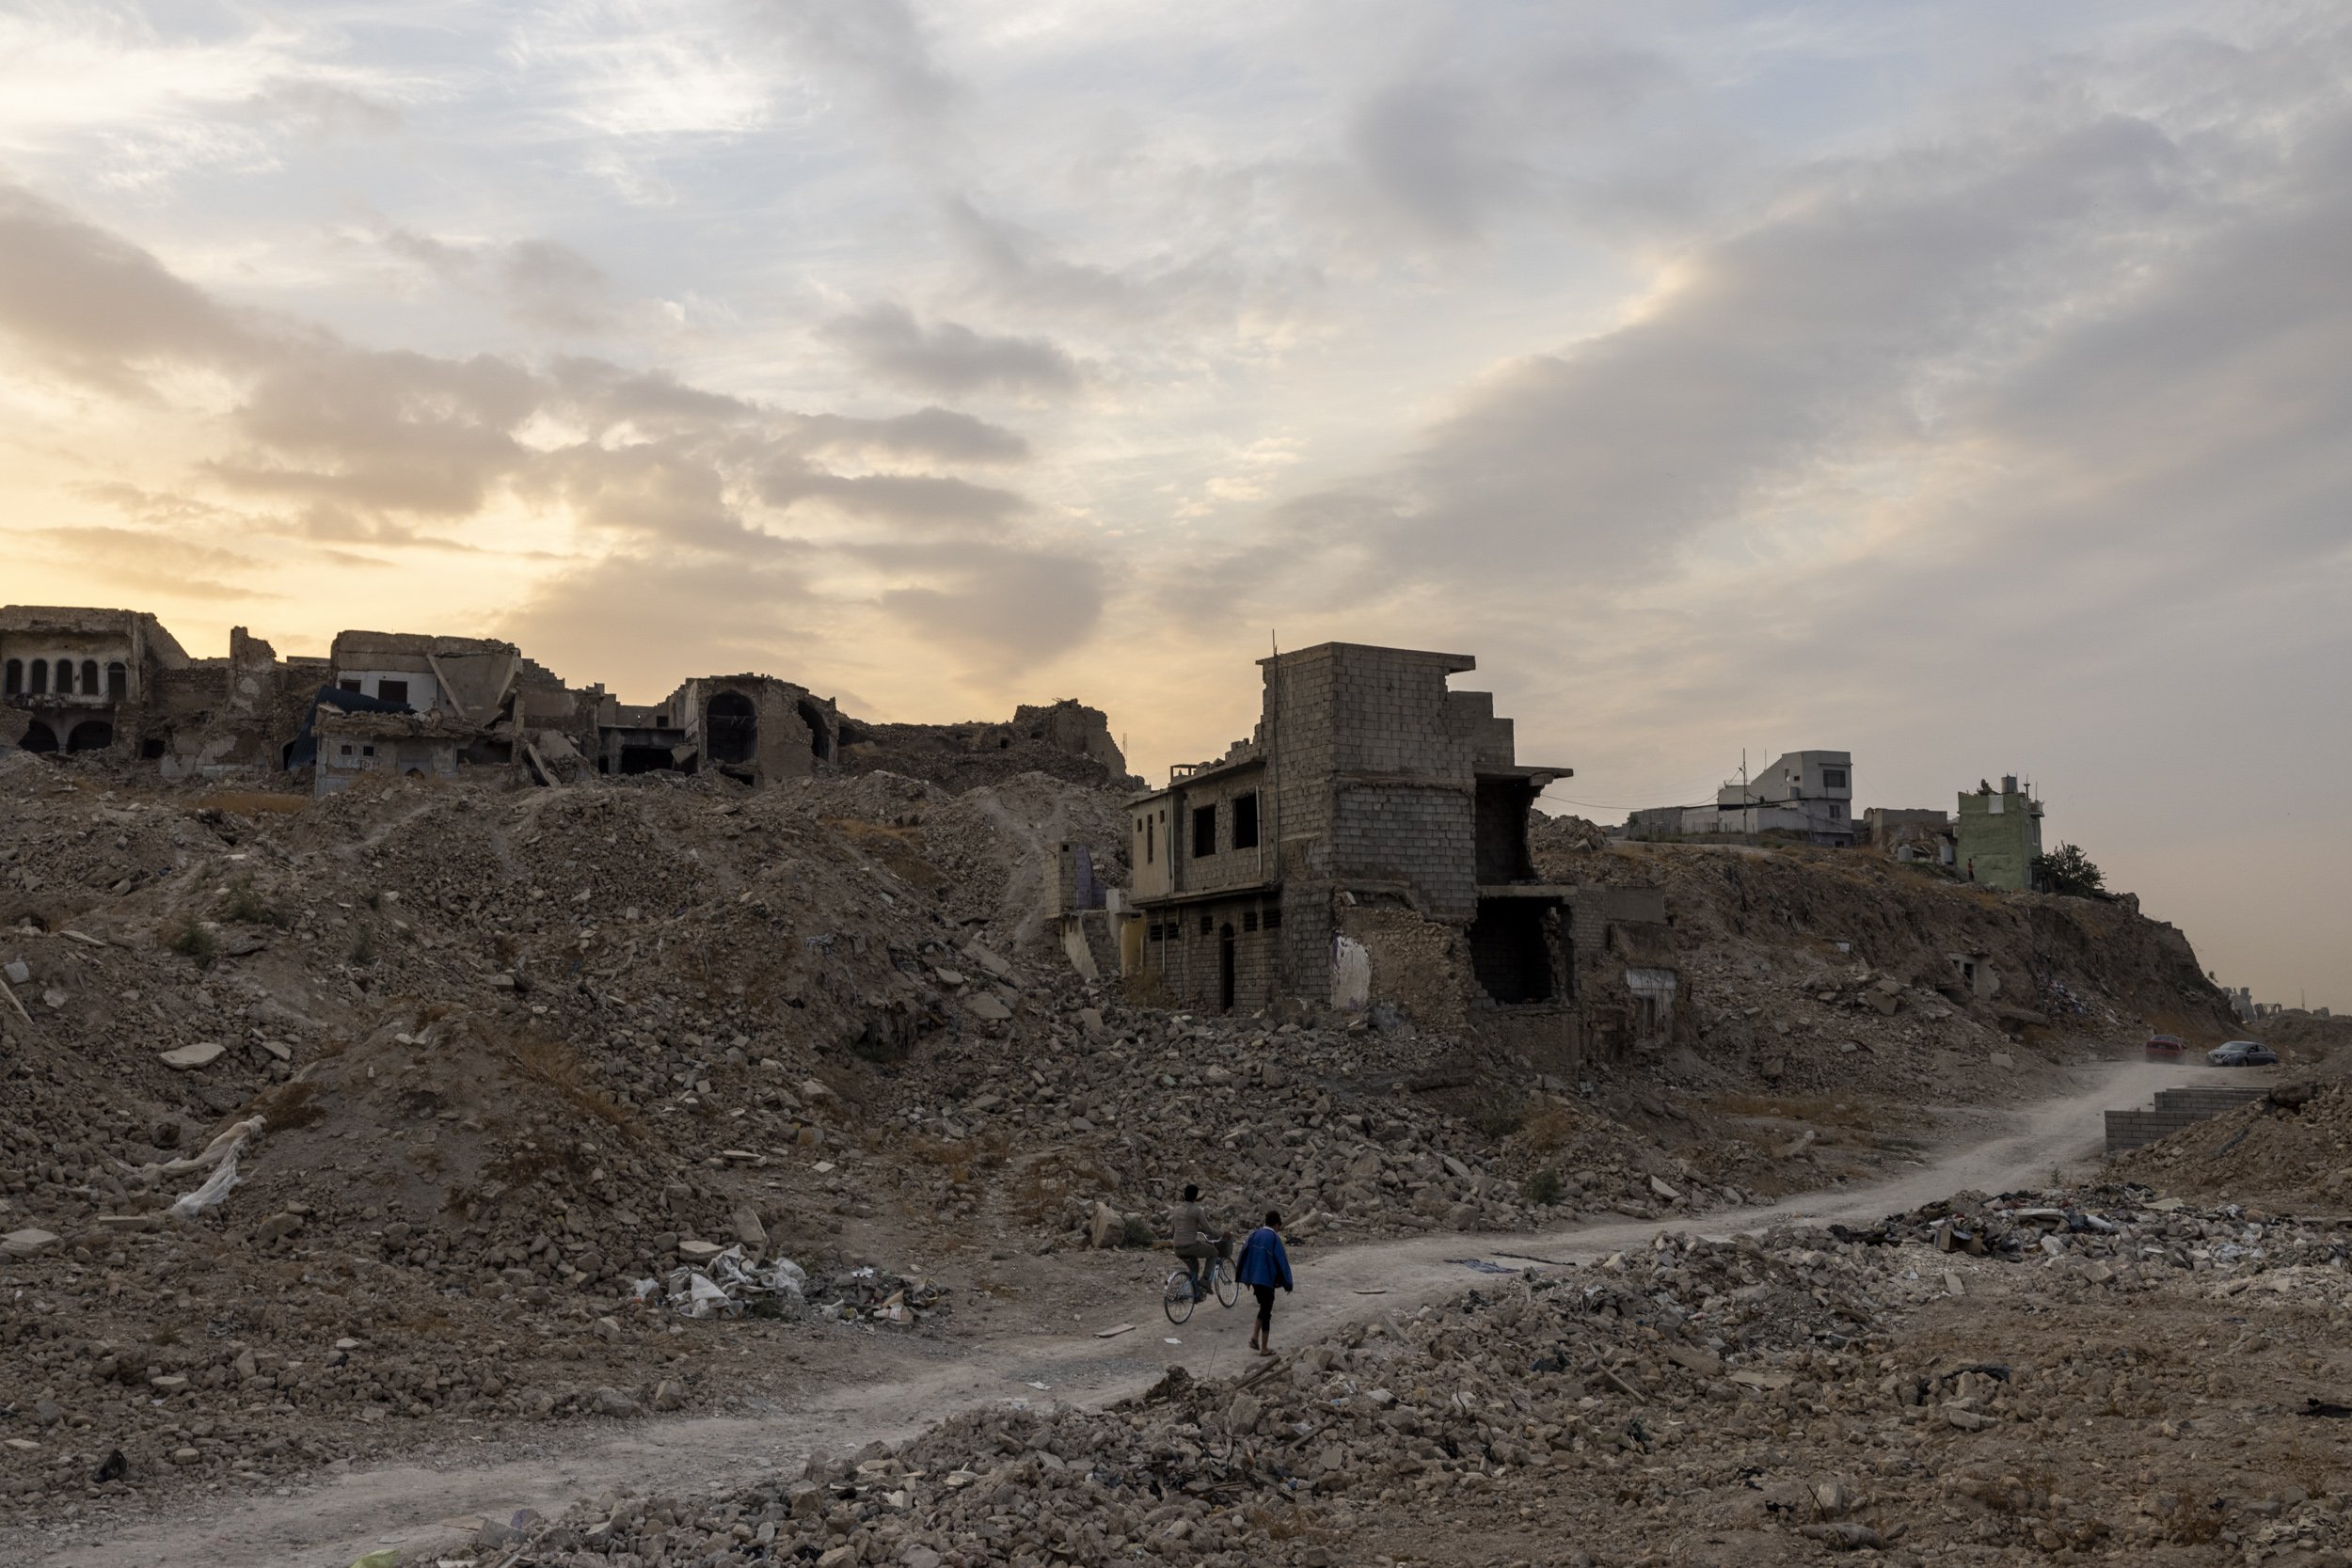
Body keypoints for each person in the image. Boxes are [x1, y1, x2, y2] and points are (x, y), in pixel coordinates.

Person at [1235, 1210, 1293, 1356]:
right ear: (1276, 1224)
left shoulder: (1254, 1235)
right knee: (1267, 1311)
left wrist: (1245, 1278)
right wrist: (1288, 1283)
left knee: (1264, 1306)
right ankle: (1264, 1348)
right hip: (1267, 1280)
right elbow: (1282, 1262)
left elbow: (1243, 1255)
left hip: (1255, 1279)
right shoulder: (1274, 1238)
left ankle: (1254, 1337)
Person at [1170, 1183, 1220, 1301]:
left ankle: (1196, 1294)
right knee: (1213, 1252)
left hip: (1177, 1248)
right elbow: (1207, 1229)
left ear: (1184, 1195)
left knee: (1194, 1268)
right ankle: (1205, 1281)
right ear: (1196, 1197)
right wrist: (1222, 1233)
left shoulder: (1176, 1210)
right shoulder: (1197, 1210)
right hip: (1190, 1246)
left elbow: (1173, 1230)